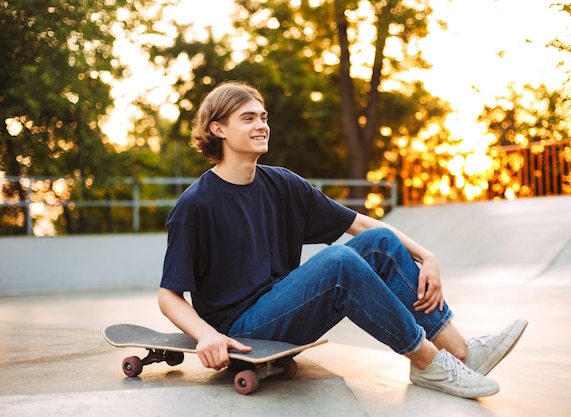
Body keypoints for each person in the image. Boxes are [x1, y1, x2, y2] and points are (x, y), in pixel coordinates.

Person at [158, 80, 528, 399]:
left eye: (263, 117)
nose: (261, 125)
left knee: (381, 241)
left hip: (283, 308)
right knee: (338, 262)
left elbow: (362, 226)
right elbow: (169, 296)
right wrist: (207, 336)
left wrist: (426, 255)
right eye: (248, 118)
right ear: (218, 129)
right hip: (240, 330)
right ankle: (427, 362)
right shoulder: (196, 205)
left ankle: (460, 352)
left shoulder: (282, 183)